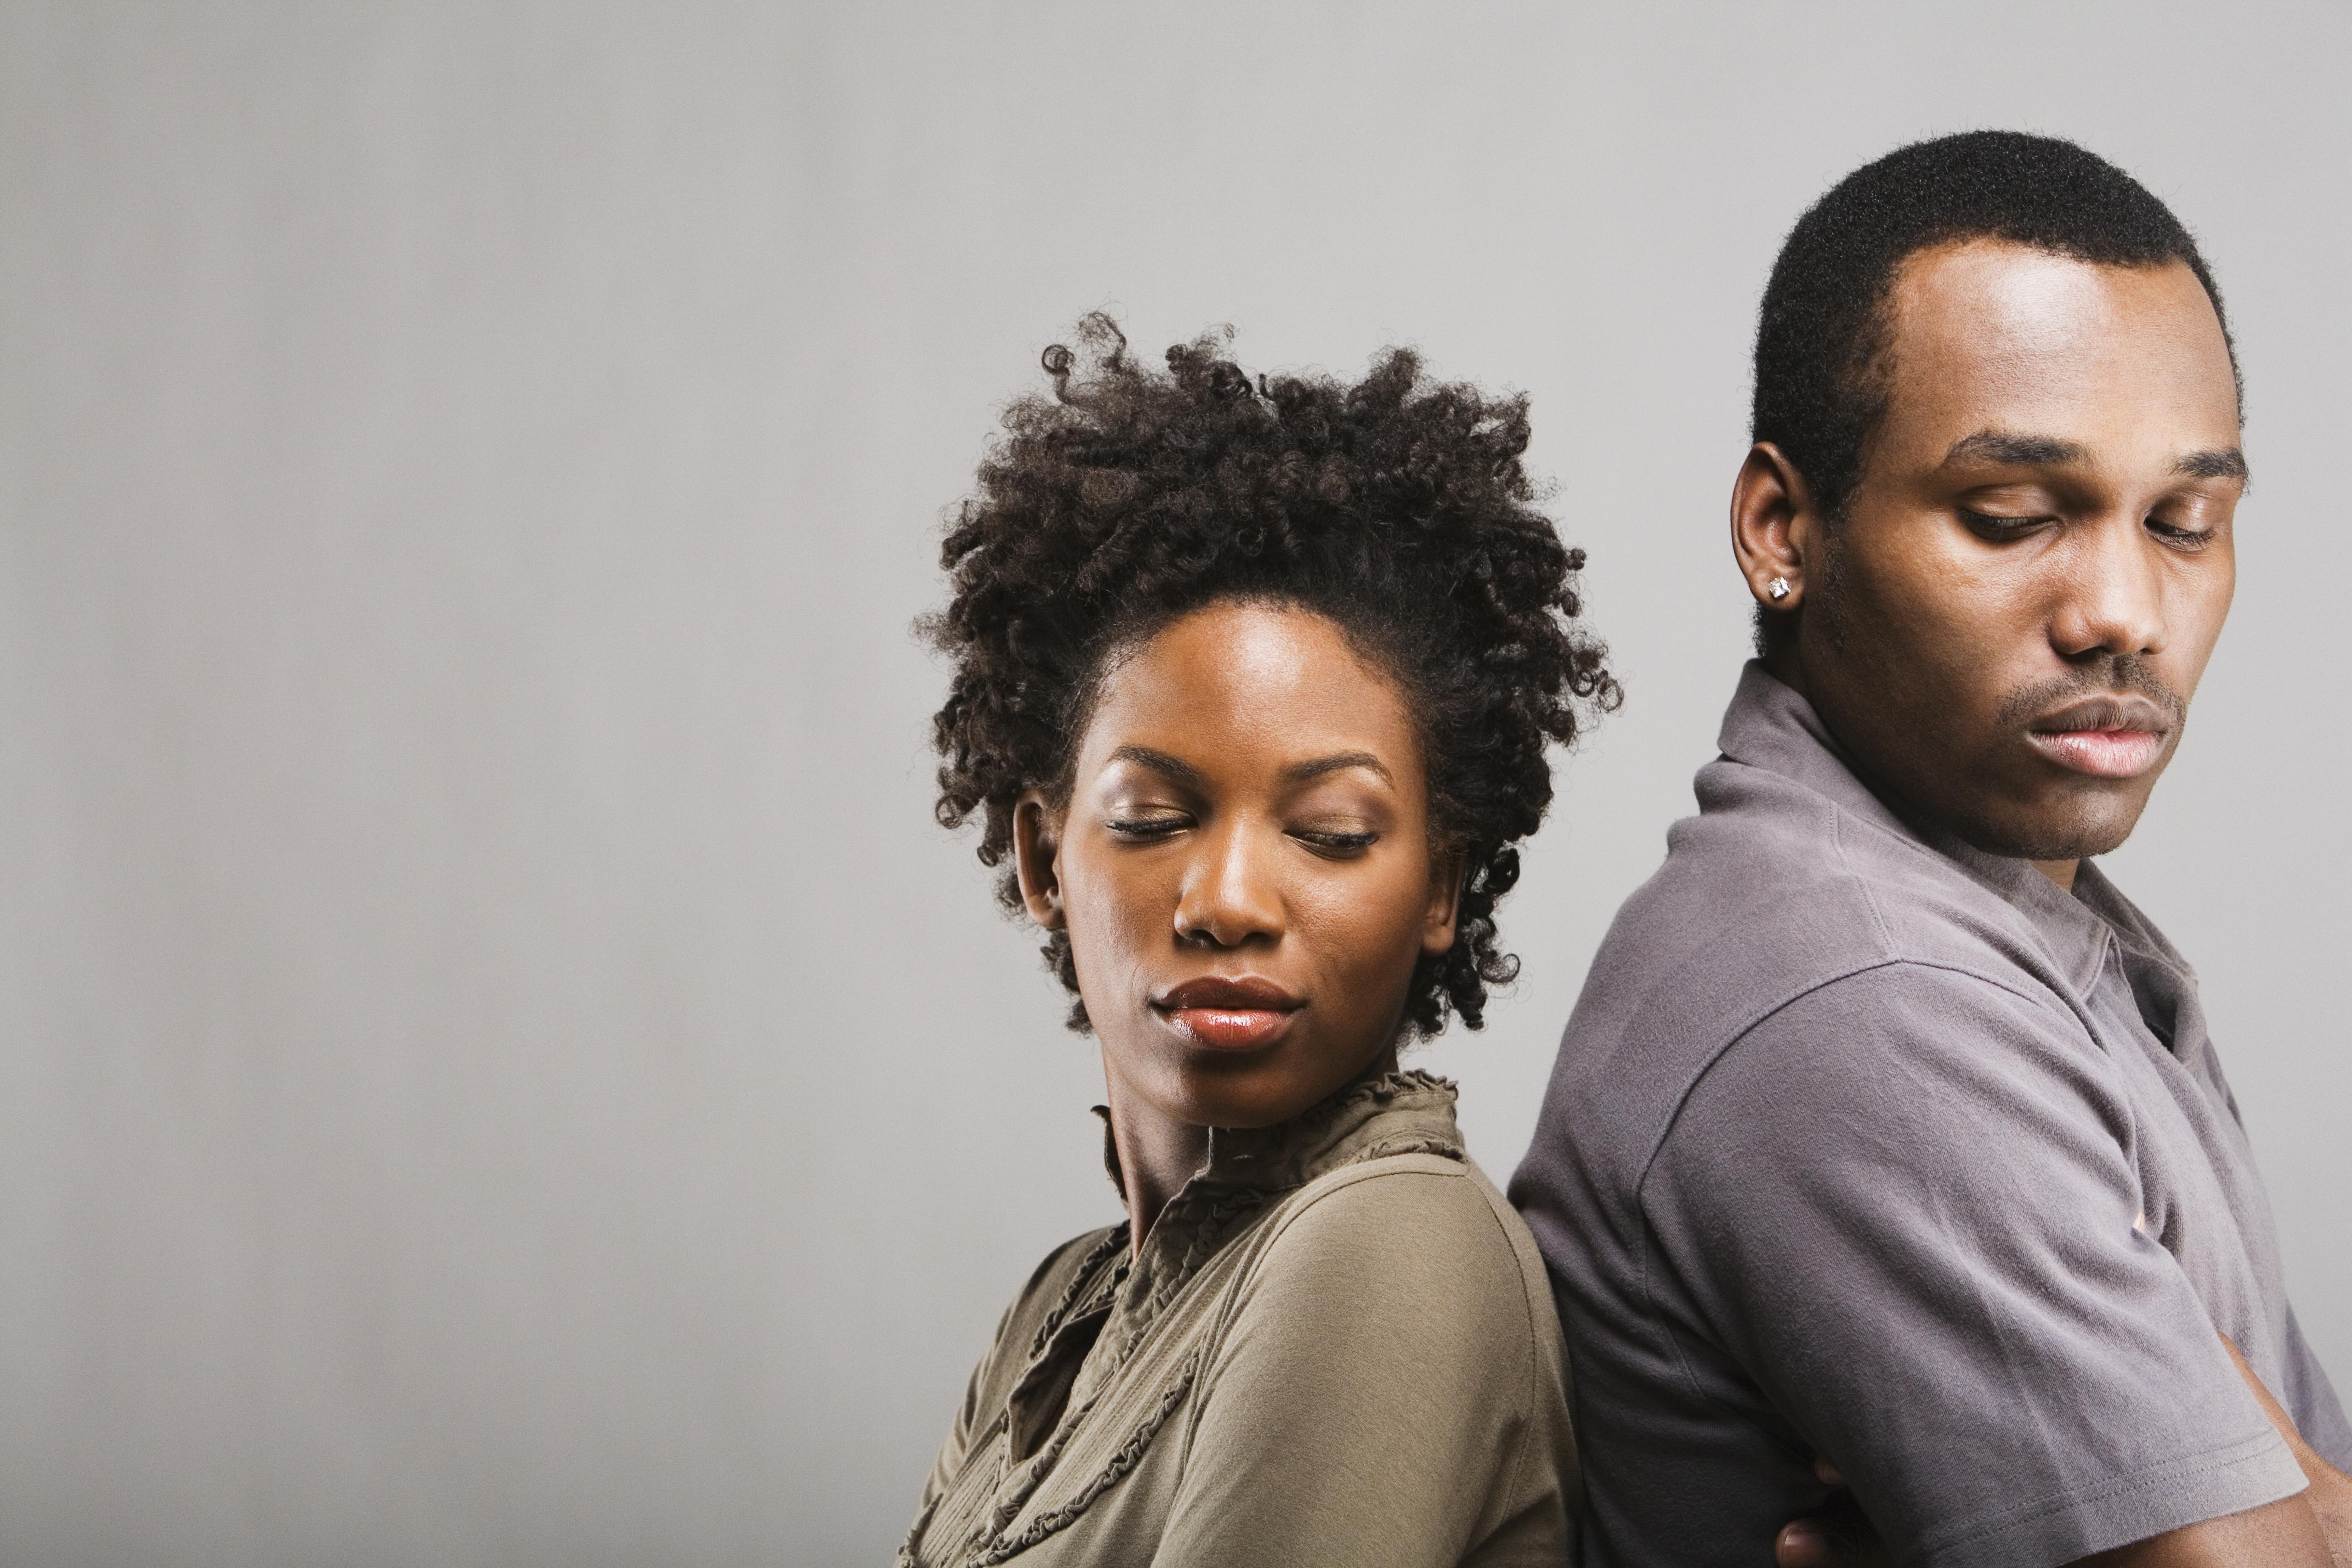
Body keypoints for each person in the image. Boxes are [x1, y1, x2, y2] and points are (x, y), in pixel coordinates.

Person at [1511, 131, 2352, 1568]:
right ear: (1783, 527)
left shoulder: (2008, 922)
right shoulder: (1863, 993)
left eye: (2186, 522)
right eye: (2013, 515)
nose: (2122, 611)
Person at [897, 318, 1611, 1567]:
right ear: (1041, 858)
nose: (1228, 899)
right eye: (1155, 819)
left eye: (1330, 833)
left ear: (1440, 889)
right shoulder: (1053, 1322)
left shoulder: (1389, 1248)